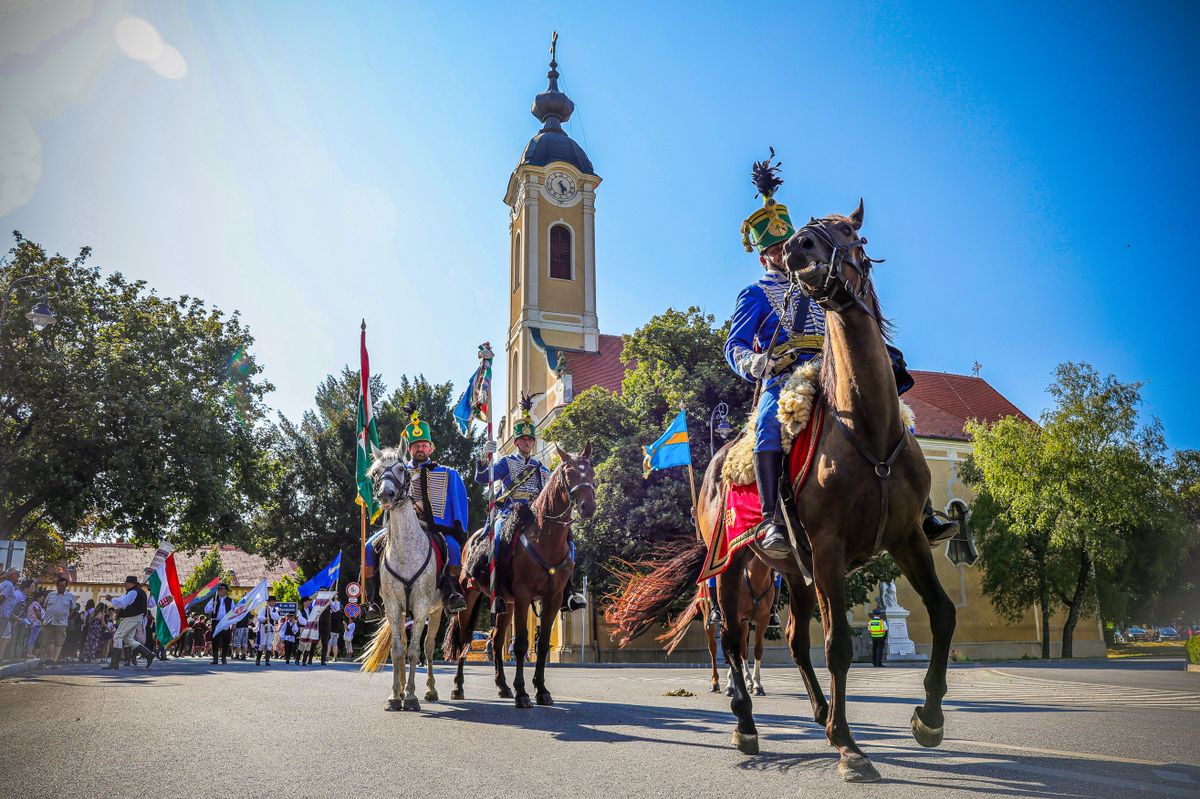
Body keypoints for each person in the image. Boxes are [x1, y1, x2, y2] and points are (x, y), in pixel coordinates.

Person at [724, 152, 956, 554]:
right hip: (785, 375)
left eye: (786, 245)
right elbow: (735, 346)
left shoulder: (820, 282)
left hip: (833, 370)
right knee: (766, 424)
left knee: (893, 414)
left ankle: (922, 509)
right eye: (775, 250)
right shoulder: (756, 294)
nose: (783, 254)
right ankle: (772, 521)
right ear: (764, 257)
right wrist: (759, 363)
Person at [476, 395, 587, 615]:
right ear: (516, 442)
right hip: (510, 512)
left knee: (569, 540)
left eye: (530, 440)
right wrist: (482, 457)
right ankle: (497, 592)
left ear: (533, 443)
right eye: (523, 439)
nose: (527, 443)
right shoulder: (507, 463)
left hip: (537, 516)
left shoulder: (542, 469)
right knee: (498, 539)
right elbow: (482, 478)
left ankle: (568, 591)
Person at [363, 411, 469, 613]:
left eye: (424, 445)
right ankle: (373, 600)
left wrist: (456, 528)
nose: (420, 449)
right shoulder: (396, 469)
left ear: (431, 448)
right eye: (416, 445)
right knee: (369, 548)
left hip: (435, 528)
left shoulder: (446, 473)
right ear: (409, 449)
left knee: (454, 549)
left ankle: (451, 592)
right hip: (399, 527)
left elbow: (458, 502)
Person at [103, 575, 156, 670]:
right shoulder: (139, 592)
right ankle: (148, 654)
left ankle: (114, 663)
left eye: (125, 583)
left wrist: (111, 600)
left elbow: (123, 603)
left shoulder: (133, 593)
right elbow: (122, 599)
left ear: (130, 584)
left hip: (132, 617)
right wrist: (114, 600)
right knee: (129, 640)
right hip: (137, 618)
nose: (124, 585)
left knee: (117, 636)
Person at [39, 575, 75, 667]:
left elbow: (73, 609)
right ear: (57, 585)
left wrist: (67, 616)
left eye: (63, 586)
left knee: (58, 642)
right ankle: (42, 660)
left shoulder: (70, 596)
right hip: (48, 621)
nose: (61, 588)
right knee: (44, 642)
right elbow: (45, 606)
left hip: (61, 622)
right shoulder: (50, 595)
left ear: (66, 586)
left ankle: (54, 661)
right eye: (59, 586)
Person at [204, 583, 235, 665]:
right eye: (219, 589)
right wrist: (212, 607)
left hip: (225, 622)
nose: (220, 590)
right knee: (215, 640)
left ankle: (224, 658)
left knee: (226, 640)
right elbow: (206, 609)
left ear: (226, 590)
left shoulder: (230, 600)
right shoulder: (214, 599)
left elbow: (234, 612)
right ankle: (215, 658)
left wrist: (233, 623)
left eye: (222, 589)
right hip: (216, 621)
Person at [255, 595, 279, 666]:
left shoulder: (275, 610)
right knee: (262, 643)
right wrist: (264, 618)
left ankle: (267, 660)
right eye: (271, 601)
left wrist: (271, 614)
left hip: (271, 626)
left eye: (274, 601)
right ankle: (258, 660)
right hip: (264, 626)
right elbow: (259, 617)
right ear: (268, 602)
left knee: (269, 643)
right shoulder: (264, 609)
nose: (273, 603)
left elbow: (277, 617)